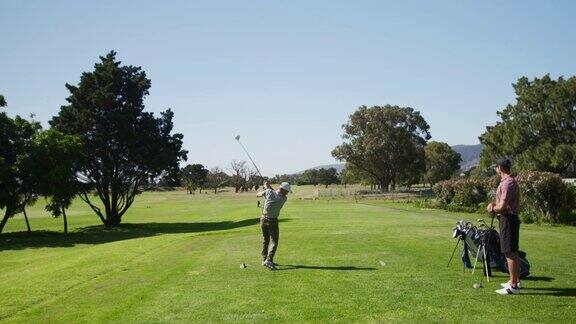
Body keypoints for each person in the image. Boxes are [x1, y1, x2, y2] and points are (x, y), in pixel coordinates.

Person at [486, 158, 522, 295]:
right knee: (513, 251)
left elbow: (502, 206)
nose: (495, 169)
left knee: (509, 252)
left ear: (499, 168)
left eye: (496, 167)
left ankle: (513, 286)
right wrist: (494, 204)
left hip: (508, 219)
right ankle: (515, 281)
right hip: (509, 218)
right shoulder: (508, 182)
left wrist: (492, 208)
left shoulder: (507, 183)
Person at [256, 181, 291, 270]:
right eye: (287, 191)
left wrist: (265, 187)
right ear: (282, 189)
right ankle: (269, 260)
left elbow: (258, 194)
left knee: (266, 240)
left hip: (263, 219)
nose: (287, 193)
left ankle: (264, 260)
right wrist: (268, 187)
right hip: (272, 221)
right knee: (274, 241)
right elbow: (273, 193)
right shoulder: (283, 198)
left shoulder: (270, 193)